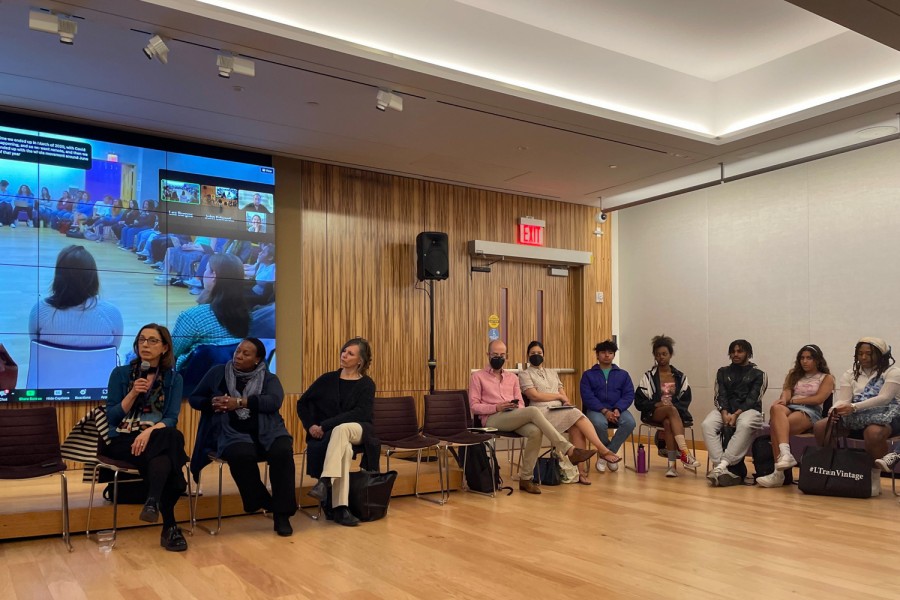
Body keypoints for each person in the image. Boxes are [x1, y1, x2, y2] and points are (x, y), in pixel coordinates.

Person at [189, 338, 295, 536]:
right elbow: (195, 398)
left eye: (246, 354)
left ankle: (282, 517)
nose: (238, 356)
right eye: (238, 351)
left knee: (282, 452)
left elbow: (273, 402)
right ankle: (261, 499)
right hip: (232, 433)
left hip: (269, 431)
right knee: (239, 454)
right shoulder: (218, 373)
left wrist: (239, 402)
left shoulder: (269, 379)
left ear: (257, 359)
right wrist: (212, 403)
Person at [470, 340, 596, 494]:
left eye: (502, 355)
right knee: (533, 412)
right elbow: (474, 406)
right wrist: (496, 407)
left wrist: (516, 410)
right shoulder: (478, 377)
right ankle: (569, 450)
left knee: (535, 432)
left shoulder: (512, 378)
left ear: (506, 356)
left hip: (513, 415)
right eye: (495, 355)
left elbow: (522, 403)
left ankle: (525, 478)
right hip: (492, 418)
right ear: (488, 354)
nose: (499, 357)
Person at [103, 324, 189, 551]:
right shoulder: (120, 374)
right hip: (123, 439)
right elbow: (112, 417)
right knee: (172, 446)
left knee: (168, 439)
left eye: (152, 341)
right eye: (142, 340)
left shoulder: (174, 379)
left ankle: (153, 502)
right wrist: (132, 393)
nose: (145, 345)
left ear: (164, 348)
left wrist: (148, 432)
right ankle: (171, 510)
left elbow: (171, 417)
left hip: (153, 437)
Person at [298, 338, 378, 526]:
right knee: (345, 450)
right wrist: (310, 425)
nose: (344, 355)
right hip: (337, 436)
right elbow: (302, 403)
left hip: (360, 429)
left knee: (342, 429)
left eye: (350, 353)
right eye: (344, 351)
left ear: (360, 361)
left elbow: (361, 413)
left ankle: (325, 481)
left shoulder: (367, 384)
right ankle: (341, 508)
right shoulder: (327, 379)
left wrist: (324, 425)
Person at [518, 341, 621, 485]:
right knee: (576, 413)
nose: (536, 356)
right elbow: (534, 395)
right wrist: (559, 397)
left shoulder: (552, 372)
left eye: (539, 353)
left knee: (577, 427)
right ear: (528, 356)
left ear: (544, 355)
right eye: (533, 354)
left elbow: (561, 390)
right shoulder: (524, 374)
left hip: (559, 410)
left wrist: (565, 401)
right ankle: (603, 450)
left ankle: (581, 473)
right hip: (540, 413)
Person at [814, 337, 900, 497]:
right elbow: (844, 399)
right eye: (860, 353)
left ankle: (873, 477)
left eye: (869, 354)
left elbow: (884, 398)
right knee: (821, 426)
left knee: (873, 433)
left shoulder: (892, 372)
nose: (864, 357)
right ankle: (833, 471)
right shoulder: (851, 373)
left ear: (881, 355)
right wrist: (834, 410)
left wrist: (853, 407)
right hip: (856, 415)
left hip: (888, 415)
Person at [757, 344, 834, 488]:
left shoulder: (826, 378)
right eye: (802, 358)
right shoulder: (794, 374)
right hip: (789, 407)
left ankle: (778, 474)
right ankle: (786, 455)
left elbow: (818, 399)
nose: (804, 361)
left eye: (809, 358)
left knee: (776, 427)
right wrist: (785, 399)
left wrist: (793, 400)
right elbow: (786, 391)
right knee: (776, 407)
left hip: (810, 411)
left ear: (817, 360)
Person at [28, 245, 124, 349]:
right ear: (92, 277)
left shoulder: (40, 311)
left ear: (58, 276)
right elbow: (114, 350)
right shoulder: (111, 314)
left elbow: (35, 347)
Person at [634, 335, 701, 477]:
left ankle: (672, 466)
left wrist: (673, 407)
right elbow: (639, 402)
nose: (661, 357)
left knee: (668, 422)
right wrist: (656, 404)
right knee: (669, 410)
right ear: (654, 357)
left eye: (664, 354)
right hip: (654, 413)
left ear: (670, 355)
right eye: (658, 355)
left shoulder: (680, 377)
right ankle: (685, 453)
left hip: (674, 415)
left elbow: (686, 400)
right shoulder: (648, 377)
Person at [702, 339, 767, 487]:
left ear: (748, 353)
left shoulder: (759, 374)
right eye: (733, 351)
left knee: (744, 423)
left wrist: (736, 414)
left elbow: (753, 398)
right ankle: (722, 469)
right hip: (725, 410)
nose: (735, 354)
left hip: (749, 412)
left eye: (740, 351)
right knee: (707, 424)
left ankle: (721, 466)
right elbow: (720, 395)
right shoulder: (723, 372)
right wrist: (724, 413)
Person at [172, 253, 249, 370]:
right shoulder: (248, 314)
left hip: (191, 382)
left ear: (214, 275)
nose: (203, 273)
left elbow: (172, 353)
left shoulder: (192, 317)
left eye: (206, 269)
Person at [580, 339, 635, 472]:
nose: (607, 355)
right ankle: (609, 455)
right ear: (597, 355)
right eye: (603, 352)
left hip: (618, 409)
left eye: (610, 352)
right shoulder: (588, 375)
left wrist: (617, 408)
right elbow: (587, 396)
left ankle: (606, 455)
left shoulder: (623, 374)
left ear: (614, 355)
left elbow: (628, 394)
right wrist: (604, 411)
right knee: (599, 423)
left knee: (630, 422)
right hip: (596, 409)